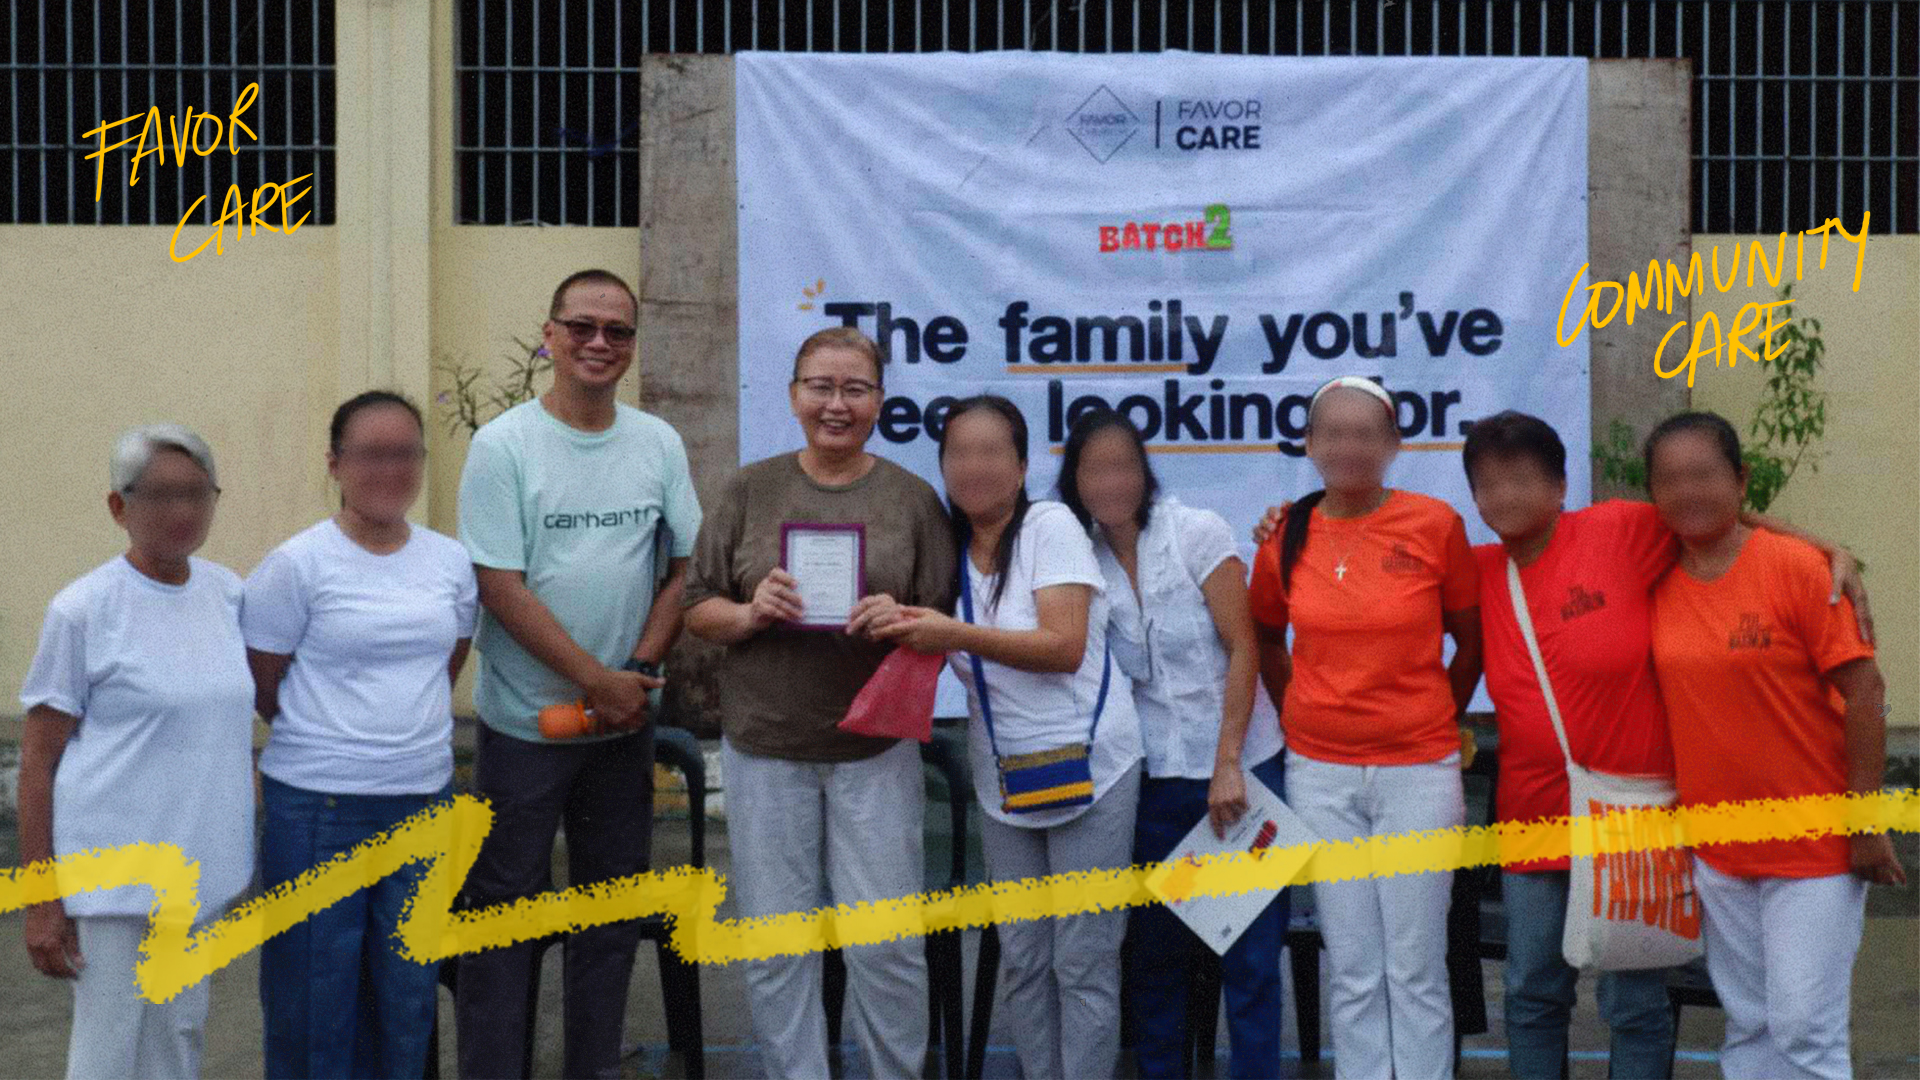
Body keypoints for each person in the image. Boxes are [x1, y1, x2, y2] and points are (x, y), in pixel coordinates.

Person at [1453, 409, 1872, 1080]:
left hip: (1633, 814)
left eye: (1524, 479)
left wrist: (1827, 551)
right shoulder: (1474, 570)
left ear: (1562, 488)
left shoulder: (1617, 531)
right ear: (1474, 498)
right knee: (1531, 991)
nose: (1506, 497)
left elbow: (1716, 518)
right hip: (1532, 814)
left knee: (1635, 997)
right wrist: (1285, 525)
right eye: (1489, 484)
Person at [681, 326, 957, 1079]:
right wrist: (749, 615)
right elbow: (699, 604)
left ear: (879, 401)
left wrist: (899, 623)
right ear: (795, 394)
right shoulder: (749, 488)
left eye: (855, 389)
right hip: (767, 749)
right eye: (821, 387)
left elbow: (941, 626)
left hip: (875, 751)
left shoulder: (912, 499)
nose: (837, 404)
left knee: (887, 943)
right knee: (777, 941)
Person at [453, 269, 702, 1080]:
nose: (600, 343)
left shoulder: (656, 443)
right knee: (503, 910)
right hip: (527, 726)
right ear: (550, 336)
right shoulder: (503, 447)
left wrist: (635, 671)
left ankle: (590, 1061)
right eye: (583, 327)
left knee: (608, 908)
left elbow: (682, 568)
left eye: (618, 332)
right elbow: (500, 585)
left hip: (621, 725)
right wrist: (595, 677)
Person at [877, 395, 1144, 1080]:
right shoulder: (946, 545)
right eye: (959, 452)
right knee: (1024, 956)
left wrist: (953, 634)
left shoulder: (1050, 525)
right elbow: (915, 628)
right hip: (1005, 778)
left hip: (1094, 768)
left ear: (1022, 466)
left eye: (992, 451)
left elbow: (1063, 646)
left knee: (1082, 958)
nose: (975, 467)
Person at [1644, 411, 1901, 1080]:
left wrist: (1865, 819)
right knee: (1751, 1024)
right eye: (1670, 480)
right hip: (1719, 845)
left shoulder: (1796, 569)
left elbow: (1867, 692)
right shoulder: (1655, 573)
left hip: (1813, 845)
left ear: (1741, 479)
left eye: (1704, 475)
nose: (1688, 492)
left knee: (1804, 1030)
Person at [1246, 376, 1481, 1080]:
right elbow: (1263, 638)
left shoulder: (1435, 524)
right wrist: (1303, 713)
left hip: (1418, 769)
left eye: (1365, 433)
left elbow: (1469, 641)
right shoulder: (1285, 533)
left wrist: (1443, 713)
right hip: (1321, 774)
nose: (1349, 447)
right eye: (1334, 433)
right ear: (1312, 444)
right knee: (1352, 965)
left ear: (1393, 443)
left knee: (1414, 965)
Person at [242, 391, 478, 1079]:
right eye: (371, 453)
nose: (390, 468)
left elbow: (447, 661)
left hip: (421, 806)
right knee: (314, 1001)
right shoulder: (296, 565)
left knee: (405, 1001)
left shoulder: (448, 562)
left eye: (405, 453)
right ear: (336, 464)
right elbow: (266, 682)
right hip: (319, 809)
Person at [17, 424, 254, 1080]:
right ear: (119, 506)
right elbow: (37, 761)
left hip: (196, 869)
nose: (181, 512)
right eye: (159, 495)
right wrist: (43, 898)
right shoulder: (83, 610)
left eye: (196, 494)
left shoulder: (227, 595)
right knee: (108, 1052)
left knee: (177, 1041)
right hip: (113, 875)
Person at [1055, 410, 1286, 1080]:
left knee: (1248, 961)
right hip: (1151, 782)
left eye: (1123, 465)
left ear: (1145, 470)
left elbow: (1244, 646)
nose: (1111, 481)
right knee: (1155, 964)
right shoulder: (1077, 555)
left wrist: (1227, 764)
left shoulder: (1196, 532)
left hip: (1241, 773)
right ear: (1074, 479)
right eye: (1094, 468)